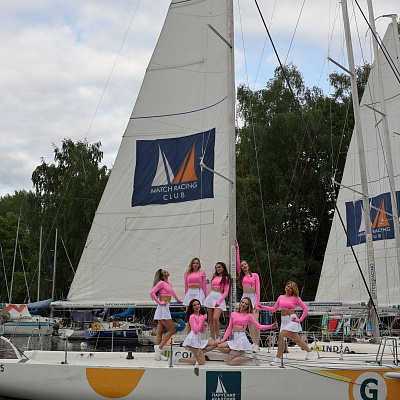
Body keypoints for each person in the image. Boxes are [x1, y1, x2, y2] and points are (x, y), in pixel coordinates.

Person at [257, 281, 313, 365]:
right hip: (284, 321)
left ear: (293, 290)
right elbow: (274, 309)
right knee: (297, 340)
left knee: (281, 336)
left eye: (291, 288)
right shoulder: (281, 297)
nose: (288, 289)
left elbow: (306, 309)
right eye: (287, 286)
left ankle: (278, 358)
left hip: (291, 320)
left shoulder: (296, 298)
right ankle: (310, 352)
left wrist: (300, 319)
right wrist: (262, 307)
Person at [218, 297, 277, 366]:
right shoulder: (233, 314)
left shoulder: (249, 315)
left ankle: (250, 358)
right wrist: (223, 339)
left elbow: (258, 326)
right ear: (240, 303)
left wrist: (271, 326)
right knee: (220, 346)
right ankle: (236, 353)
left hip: (241, 340)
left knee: (229, 362)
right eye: (242, 302)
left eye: (246, 304)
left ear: (248, 307)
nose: (243, 304)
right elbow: (229, 328)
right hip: (235, 339)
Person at [150, 268, 182, 361]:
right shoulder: (161, 283)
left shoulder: (169, 283)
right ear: (163, 276)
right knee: (172, 330)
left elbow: (172, 293)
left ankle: (157, 355)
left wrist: (177, 300)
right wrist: (159, 302)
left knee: (160, 331)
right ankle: (159, 349)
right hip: (163, 307)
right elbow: (152, 292)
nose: (167, 272)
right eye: (165, 272)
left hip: (166, 307)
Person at [236, 240, 261, 352]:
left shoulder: (255, 275)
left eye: (245, 264)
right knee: (249, 322)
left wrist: (257, 303)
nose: (243, 266)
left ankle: (257, 343)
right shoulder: (242, 276)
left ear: (248, 265)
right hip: (245, 297)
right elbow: (237, 262)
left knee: (255, 321)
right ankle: (253, 342)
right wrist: (237, 248)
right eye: (242, 265)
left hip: (254, 297)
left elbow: (258, 290)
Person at [176, 299, 218, 365]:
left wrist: (204, 325)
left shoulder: (200, 316)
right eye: (194, 305)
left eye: (198, 304)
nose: (197, 306)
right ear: (192, 307)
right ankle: (179, 359)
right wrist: (201, 320)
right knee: (202, 361)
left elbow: (203, 332)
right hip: (193, 339)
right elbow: (195, 330)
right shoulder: (192, 316)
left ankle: (198, 353)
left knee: (215, 344)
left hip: (198, 338)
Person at [203, 262, 231, 340]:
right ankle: (212, 337)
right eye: (216, 267)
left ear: (223, 268)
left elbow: (226, 291)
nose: (217, 269)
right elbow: (211, 287)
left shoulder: (226, 278)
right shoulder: (214, 277)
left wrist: (219, 301)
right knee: (211, 319)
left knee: (216, 318)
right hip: (211, 297)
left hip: (219, 297)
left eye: (219, 267)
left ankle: (217, 337)